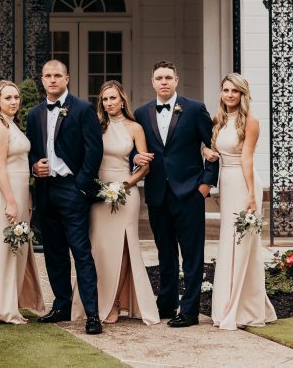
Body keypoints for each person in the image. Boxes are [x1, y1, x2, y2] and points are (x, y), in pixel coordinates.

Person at [132, 60, 220, 328]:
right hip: (158, 194)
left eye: (168, 77)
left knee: (192, 255)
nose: (164, 82)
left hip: (189, 193)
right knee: (164, 254)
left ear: (177, 80)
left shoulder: (194, 109)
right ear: (152, 82)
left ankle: (190, 310)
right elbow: (133, 150)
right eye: (159, 78)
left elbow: (212, 146)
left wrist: (206, 185)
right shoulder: (141, 113)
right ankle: (167, 303)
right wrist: (135, 157)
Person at [27, 60, 104, 335]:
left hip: (72, 189)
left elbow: (94, 151)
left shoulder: (82, 109)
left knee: (81, 252)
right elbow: (31, 151)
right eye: (47, 75)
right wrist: (34, 167)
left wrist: (81, 187)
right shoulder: (34, 114)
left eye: (57, 75)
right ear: (42, 79)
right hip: (46, 189)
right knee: (54, 251)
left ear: (67, 78)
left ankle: (92, 314)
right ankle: (61, 305)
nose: (52, 80)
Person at [72, 81, 158, 325]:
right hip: (98, 192)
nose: (109, 103)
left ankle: (115, 303)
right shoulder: (95, 127)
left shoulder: (135, 128)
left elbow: (145, 166)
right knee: (98, 249)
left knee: (122, 249)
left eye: (113, 98)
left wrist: (125, 185)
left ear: (123, 100)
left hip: (124, 192)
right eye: (104, 99)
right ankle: (94, 302)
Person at [0, 80, 45, 325]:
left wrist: (27, 197)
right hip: (3, 192)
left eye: (16, 98)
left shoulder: (12, 124)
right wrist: (12, 201)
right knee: (1, 245)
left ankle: (7, 304)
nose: (14, 102)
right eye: (8, 98)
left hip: (20, 190)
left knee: (14, 247)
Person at [208, 73, 277, 330]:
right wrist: (207, 151)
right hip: (226, 183)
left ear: (242, 94)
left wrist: (251, 195)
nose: (229, 95)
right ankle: (231, 303)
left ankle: (241, 309)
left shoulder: (250, 122)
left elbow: (247, 158)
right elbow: (212, 149)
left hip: (244, 181)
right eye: (225, 90)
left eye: (234, 91)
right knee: (229, 242)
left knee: (243, 243)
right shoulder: (219, 120)